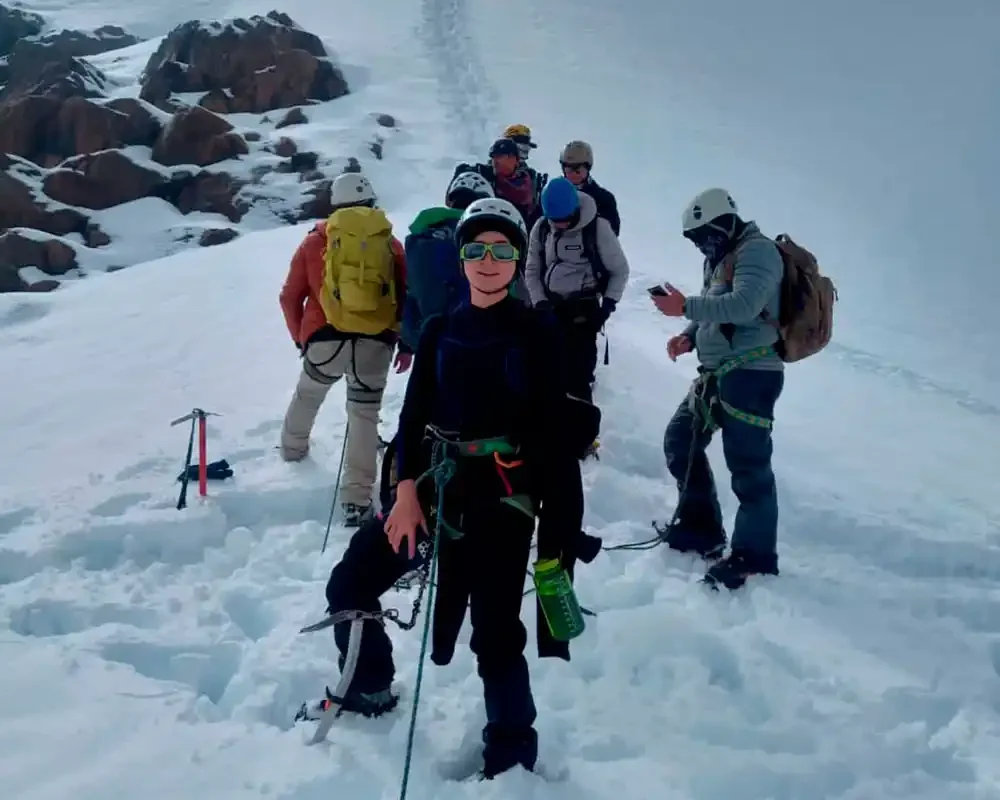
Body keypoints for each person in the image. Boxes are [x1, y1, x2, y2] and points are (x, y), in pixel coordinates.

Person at [303, 197, 599, 780]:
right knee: (353, 580)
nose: (487, 261)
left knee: (495, 633)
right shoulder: (439, 331)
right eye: (475, 250)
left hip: (503, 499)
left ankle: (512, 753)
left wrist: (557, 534)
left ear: (517, 259)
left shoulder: (537, 330)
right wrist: (406, 490)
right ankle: (367, 687)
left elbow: (552, 434)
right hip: (433, 491)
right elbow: (413, 420)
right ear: (460, 260)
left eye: (501, 250)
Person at [650, 187, 783, 590]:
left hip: (751, 373)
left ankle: (755, 556)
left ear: (725, 221)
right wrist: (690, 335)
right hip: (718, 373)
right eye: (695, 239)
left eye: (704, 234)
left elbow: (744, 305)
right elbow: (717, 305)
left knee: (748, 467)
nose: (701, 244)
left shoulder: (758, 252)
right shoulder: (721, 257)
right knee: (681, 439)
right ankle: (700, 527)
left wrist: (685, 308)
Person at [279, 173, 411, 527]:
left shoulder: (315, 242)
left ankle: (292, 450)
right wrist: (399, 339)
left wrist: (300, 338)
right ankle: (356, 500)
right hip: (374, 343)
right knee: (364, 416)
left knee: (309, 394)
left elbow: (290, 296)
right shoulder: (389, 242)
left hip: (324, 339)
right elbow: (404, 292)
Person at [524, 177, 630, 409]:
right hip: (549, 311)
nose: (559, 225)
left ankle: (582, 438)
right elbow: (531, 269)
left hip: (583, 315)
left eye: (564, 220)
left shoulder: (597, 228)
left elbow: (619, 270)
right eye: (555, 220)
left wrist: (607, 306)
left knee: (578, 380)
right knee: (544, 373)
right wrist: (540, 302)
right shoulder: (542, 228)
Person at [400, 171, 495, 351]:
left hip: (427, 338)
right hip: (477, 339)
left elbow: (410, 289)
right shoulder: (487, 237)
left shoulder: (421, 236)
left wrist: (407, 342)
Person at [451, 137, 545, 229]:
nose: (496, 161)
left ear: (515, 159)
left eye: (501, 156)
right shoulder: (485, 178)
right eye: (493, 157)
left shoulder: (530, 183)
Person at [559, 140, 620, 236]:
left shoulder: (603, 199)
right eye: (568, 169)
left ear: (587, 168)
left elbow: (612, 235)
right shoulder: (555, 194)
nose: (572, 174)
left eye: (577, 170)